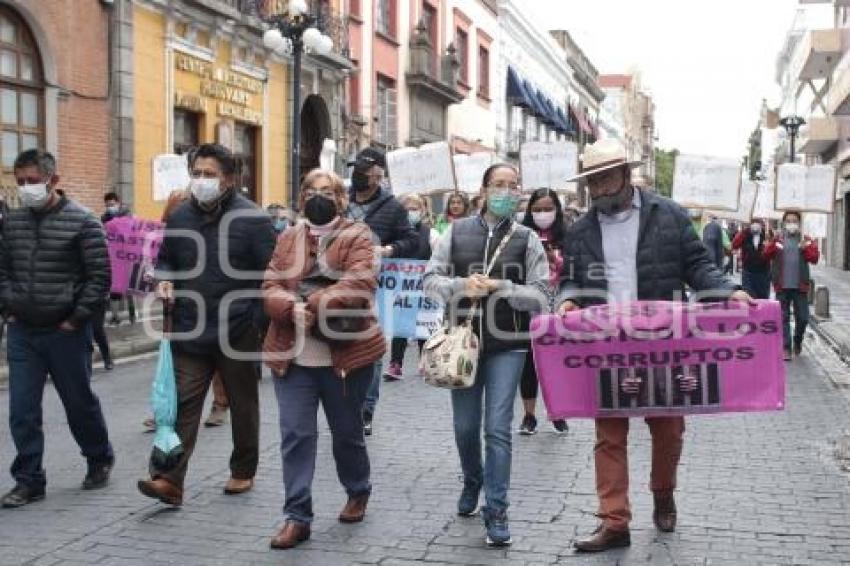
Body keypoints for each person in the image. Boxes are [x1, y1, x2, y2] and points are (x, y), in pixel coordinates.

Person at [555, 139, 750, 552]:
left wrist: (726, 290)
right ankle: (614, 521)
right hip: (606, 345)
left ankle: (663, 492)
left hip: (662, 342)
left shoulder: (669, 215)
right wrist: (568, 299)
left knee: (669, 429)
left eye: (607, 177)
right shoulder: (581, 229)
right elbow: (570, 278)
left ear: (627, 174)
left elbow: (698, 264)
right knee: (609, 435)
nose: (601, 189)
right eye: (593, 182)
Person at [137, 143, 275, 506]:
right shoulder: (180, 216)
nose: (201, 180)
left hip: (238, 330)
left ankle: (243, 470)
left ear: (229, 179)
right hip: (190, 327)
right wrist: (164, 278)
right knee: (182, 405)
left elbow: (270, 277)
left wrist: (257, 324)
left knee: (243, 405)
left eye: (209, 174)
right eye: (196, 173)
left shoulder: (254, 219)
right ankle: (168, 478)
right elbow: (166, 259)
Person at [424, 163, 549, 547]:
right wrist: (464, 286)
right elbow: (430, 281)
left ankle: (497, 507)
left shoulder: (528, 239)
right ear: (483, 189)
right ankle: (473, 480)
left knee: (497, 428)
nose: (506, 192)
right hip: (462, 344)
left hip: (508, 344)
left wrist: (504, 286)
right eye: (499, 185)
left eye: (513, 186)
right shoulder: (456, 232)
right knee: (465, 428)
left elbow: (543, 296)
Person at [263, 169, 385, 550]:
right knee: (296, 435)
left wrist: (310, 302)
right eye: (313, 191)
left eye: (328, 192)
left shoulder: (358, 235)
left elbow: (360, 283)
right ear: (301, 197)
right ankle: (296, 516)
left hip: (346, 355)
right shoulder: (287, 236)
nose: (320, 197)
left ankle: (358, 488)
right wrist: (287, 307)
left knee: (347, 434)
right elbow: (270, 283)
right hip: (294, 356)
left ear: (341, 198)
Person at [0, 149, 114, 508]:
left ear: (53, 180)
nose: (26, 188)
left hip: (66, 331)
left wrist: (75, 319)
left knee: (78, 403)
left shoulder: (83, 222)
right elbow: (3, 270)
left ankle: (99, 457)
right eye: (20, 182)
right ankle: (29, 479)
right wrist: (9, 308)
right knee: (22, 410)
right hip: (23, 332)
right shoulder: (13, 222)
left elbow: (99, 278)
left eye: (33, 181)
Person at [345, 147, 419, 436]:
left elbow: (410, 239)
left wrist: (388, 249)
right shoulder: (341, 201)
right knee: (342, 344)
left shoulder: (392, 206)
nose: (363, 178)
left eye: (369, 173)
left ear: (379, 176)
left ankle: (366, 408)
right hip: (339, 284)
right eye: (360, 171)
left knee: (372, 350)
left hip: (375, 286)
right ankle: (345, 405)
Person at [517, 188, 568, 435]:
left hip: (558, 304)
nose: (542, 213)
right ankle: (529, 415)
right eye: (537, 209)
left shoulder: (569, 236)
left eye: (548, 208)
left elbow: (577, 269)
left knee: (555, 359)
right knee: (529, 361)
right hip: (529, 304)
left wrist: (554, 259)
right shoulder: (520, 235)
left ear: (557, 209)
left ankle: (557, 412)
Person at [384, 193, 434, 381]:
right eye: (407, 209)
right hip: (400, 288)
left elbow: (439, 257)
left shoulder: (431, 233)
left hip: (423, 287)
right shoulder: (393, 235)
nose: (411, 212)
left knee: (423, 326)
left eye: (415, 209)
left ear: (422, 211)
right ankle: (395, 364)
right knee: (401, 327)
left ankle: (425, 362)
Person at [764, 210, 819, 361]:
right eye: (788, 221)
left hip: (800, 286)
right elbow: (766, 255)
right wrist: (773, 243)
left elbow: (814, 258)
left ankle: (797, 340)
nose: (791, 223)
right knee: (783, 317)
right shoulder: (779, 239)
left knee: (803, 318)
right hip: (782, 286)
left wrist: (805, 248)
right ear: (784, 223)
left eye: (794, 221)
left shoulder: (805, 239)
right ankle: (786, 347)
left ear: (799, 223)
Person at [732, 218, 772, 300]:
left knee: (763, 298)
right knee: (748, 297)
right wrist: (744, 232)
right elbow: (735, 244)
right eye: (754, 222)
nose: (756, 224)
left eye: (758, 222)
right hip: (748, 272)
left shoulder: (767, 234)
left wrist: (769, 244)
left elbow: (772, 251)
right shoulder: (745, 233)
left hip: (763, 272)